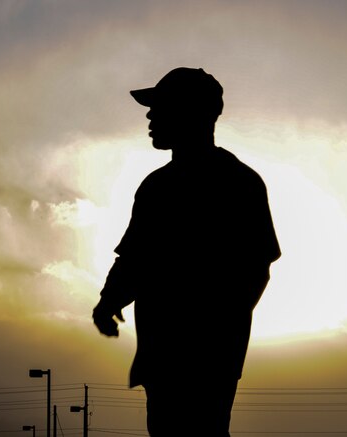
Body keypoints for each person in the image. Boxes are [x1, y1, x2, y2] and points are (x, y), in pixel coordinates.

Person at [92, 67, 281, 436]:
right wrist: (109, 300)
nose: (149, 116)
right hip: (162, 352)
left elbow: (256, 266)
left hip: (208, 357)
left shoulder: (237, 183)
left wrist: (215, 325)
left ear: (191, 112)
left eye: (159, 107)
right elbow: (133, 259)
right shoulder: (156, 187)